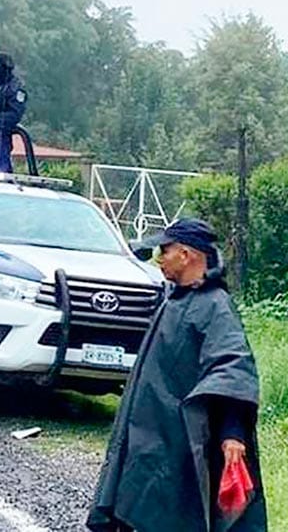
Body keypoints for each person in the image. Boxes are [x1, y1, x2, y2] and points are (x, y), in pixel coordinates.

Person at [87, 218, 267, 532]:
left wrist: (233, 433)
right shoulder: (175, 299)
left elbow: (232, 369)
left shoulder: (216, 307)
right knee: (135, 503)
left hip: (180, 440)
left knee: (173, 513)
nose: (159, 259)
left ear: (185, 255)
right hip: (149, 433)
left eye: (165, 251)